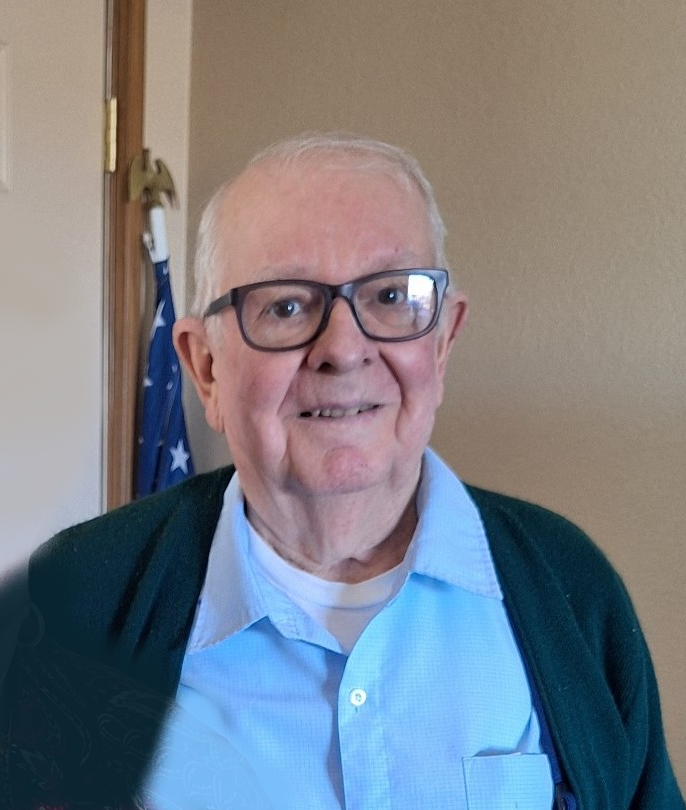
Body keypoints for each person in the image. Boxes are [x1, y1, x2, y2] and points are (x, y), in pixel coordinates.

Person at [1, 133, 683, 809]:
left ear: (443, 342)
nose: (345, 349)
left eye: (390, 297)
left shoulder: (572, 588)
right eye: (285, 306)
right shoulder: (70, 601)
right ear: (205, 368)